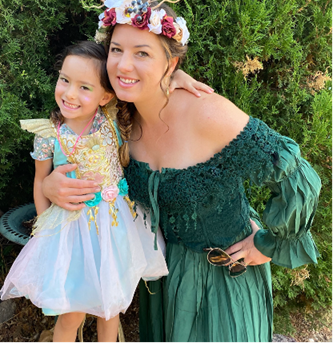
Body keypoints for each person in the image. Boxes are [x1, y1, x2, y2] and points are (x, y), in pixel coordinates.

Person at [41, 0, 321, 343]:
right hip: (162, 282)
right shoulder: (115, 118)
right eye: (116, 50)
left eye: (142, 53)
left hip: (222, 285)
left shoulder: (207, 113)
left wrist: (266, 245)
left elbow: (299, 178)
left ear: (170, 62)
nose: (124, 64)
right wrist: (49, 185)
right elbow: (77, 150)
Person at [0, 40, 211, 343]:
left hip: (115, 231)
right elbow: (40, 181)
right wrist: (46, 227)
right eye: (65, 80)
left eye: (85, 87)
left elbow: (153, 89)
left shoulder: (113, 121)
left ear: (105, 96)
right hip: (73, 234)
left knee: (110, 310)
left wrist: (177, 77)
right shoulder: (49, 136)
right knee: (71, 313)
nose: (70, 93)